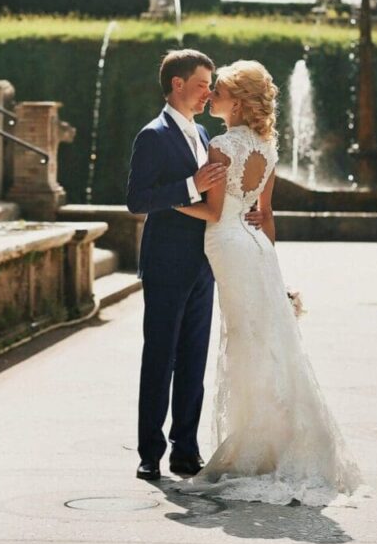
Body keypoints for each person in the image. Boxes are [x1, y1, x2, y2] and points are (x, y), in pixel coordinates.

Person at [172, 60, 362, 506]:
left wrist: (168, 202)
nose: (210, 96)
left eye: (217, 91)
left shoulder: (221, 144)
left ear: (236, 102)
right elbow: (267, 214)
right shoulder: (268, 148)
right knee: (268, 341)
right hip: (257, 248)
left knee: (247, 342)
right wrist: (270, 266)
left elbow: (215, 212)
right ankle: (278, 441)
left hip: (229, 244)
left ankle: (259, 447)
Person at [126, 50, 226, 482]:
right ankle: (150, 452)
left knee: (192, 361)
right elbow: (137, 200)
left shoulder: (204, 134)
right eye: (203, 83)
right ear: (178, 85)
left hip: (202, 265)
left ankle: (186, 450)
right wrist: (191, 185)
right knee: (160, 358)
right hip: (166, 264)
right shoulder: (151, 135)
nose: (210, 91)